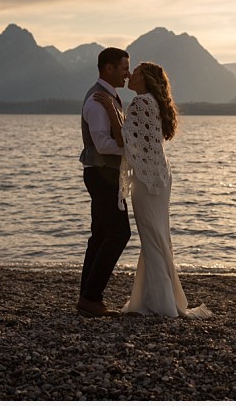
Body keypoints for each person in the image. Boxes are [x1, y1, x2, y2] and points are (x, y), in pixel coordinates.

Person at [94, 62, 211, 318]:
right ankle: (156, 298)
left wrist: (110, 109)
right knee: (157, 238)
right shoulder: (151, 103)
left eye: (134, 73)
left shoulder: (141, 103)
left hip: (147, 181)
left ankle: (163, 305)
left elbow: (124, 140)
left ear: (144, 78)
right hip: (158, 176)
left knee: (152, 238)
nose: (129, 75)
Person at [77, 47, 132, 318]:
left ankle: (86, 297)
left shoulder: (109, 97)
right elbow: (101, 143)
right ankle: (91, 296)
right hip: (101, 174)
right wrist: (132, 150)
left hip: (103, 173)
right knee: (119, 234)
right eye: (124, 68)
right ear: (108, 69)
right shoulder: (98, 101)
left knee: (100, 235)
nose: (127, 74)